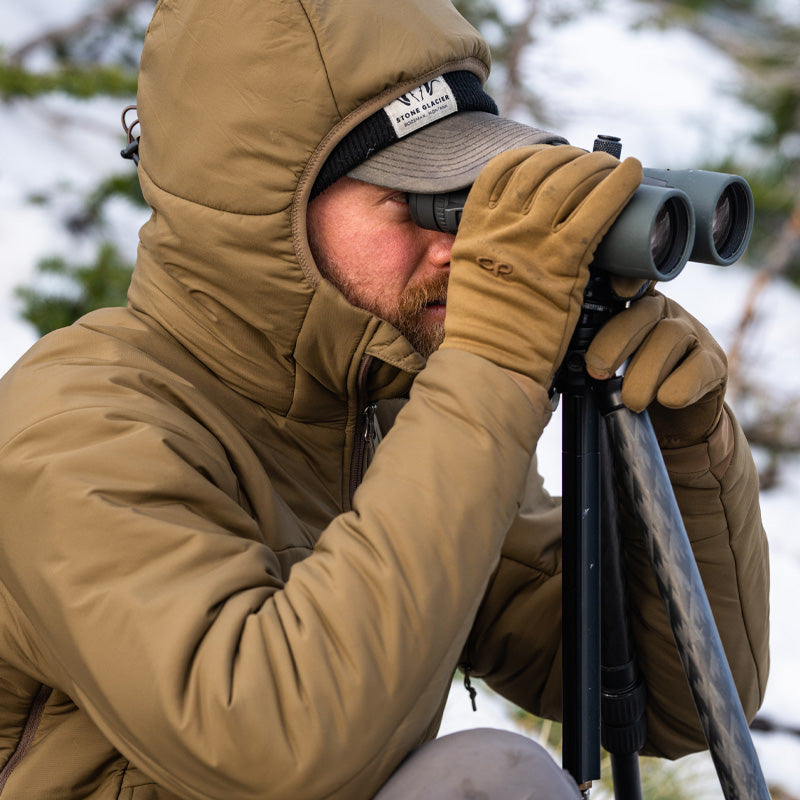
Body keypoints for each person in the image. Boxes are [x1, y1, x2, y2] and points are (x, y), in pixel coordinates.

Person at [0, 1, 769, 798]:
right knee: (491, 779)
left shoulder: (394, 406)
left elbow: (672, 703)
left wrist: (688, 452)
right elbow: (273, 746)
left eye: (469, 194)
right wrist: (492, 367)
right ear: (263, 217)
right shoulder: (74, 426)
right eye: (414, 201)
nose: (457, 247)